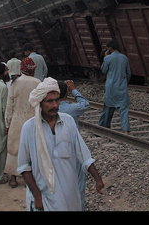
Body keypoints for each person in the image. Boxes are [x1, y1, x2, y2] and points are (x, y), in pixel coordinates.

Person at [17, 77, 105, 211]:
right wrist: (37, 195)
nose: (55, 105)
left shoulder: (68, 122)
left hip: (69, 191)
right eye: (49, 101)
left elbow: (83, 153)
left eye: (57, 100)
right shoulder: (29, 128)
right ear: (40, 103)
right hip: (44, 194)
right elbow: (24, 166)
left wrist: (97, 178)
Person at [4, 57, 40, 188]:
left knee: (14, 148)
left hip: (17, 119)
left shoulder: (15, 82)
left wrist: (7, 124)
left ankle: (13, 178)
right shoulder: (37, 83)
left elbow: (9, 105)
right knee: (31, 148)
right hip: (32, 119)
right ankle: (28, 180)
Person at [58, 79, 90, 209]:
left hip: (57, 150)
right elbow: (85, 103)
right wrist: (74, 90)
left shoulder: (47, 110)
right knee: (79, 183)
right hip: (73, 149)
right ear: (66, 94)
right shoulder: (71, 109)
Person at [99, 40, 132, 134]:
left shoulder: (108, 58)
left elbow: (104, 70)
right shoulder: (124, 58)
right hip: (122, 87)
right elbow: (128, 73)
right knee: (123, 109)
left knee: (108, 107)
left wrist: (105, 57)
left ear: (110, 48)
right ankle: (125, 130)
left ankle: (104, 126)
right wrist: (125, 83)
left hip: (111, 87)